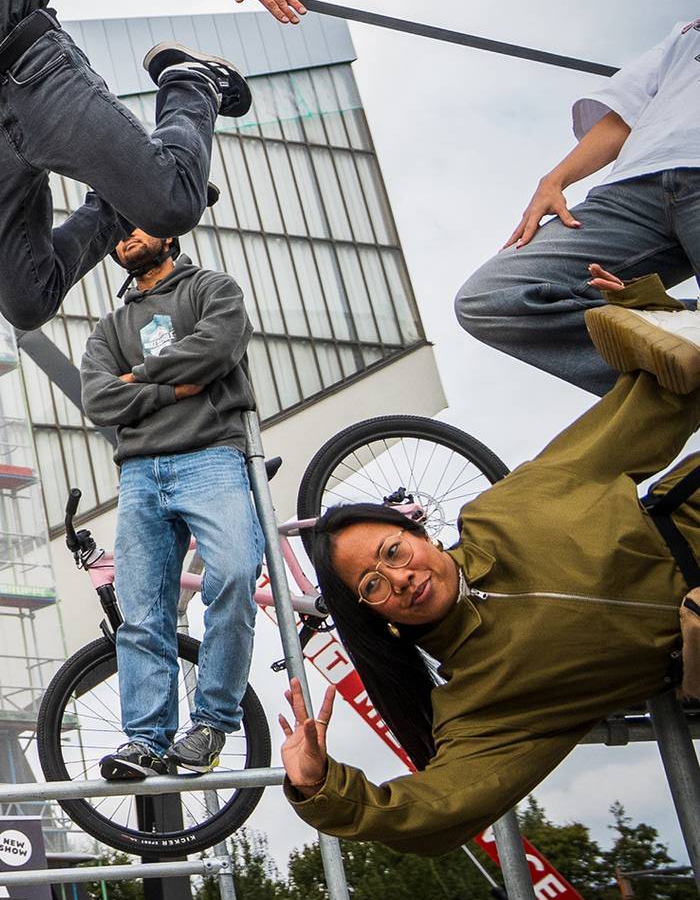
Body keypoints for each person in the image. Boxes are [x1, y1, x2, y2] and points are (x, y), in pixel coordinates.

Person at [283, 279, 700, 853]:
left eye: (393, 551)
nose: (399, 577)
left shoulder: (503, 509)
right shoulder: (480, 705)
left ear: (417, 533)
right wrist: (320, 788)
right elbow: (440, 812)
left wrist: (644, 313)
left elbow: (626, 428)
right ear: (376, 617)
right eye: (374, 585)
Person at [0, 0, 306, 330]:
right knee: (26, 302)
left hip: (36, 77)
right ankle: (120, 199)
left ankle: (192, 83)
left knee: (175, 206)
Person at [76, 227, 261, 780]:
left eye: (140, 221)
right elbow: (99, 398)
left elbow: (218, 348)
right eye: (117, 229)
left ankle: (210, 724)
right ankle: (146, 740)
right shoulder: (108, 328)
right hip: (138, 472)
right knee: (142, 613)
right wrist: (175, 386)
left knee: (231, 574)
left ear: (171, 232)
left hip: (213, 456)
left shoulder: (211, 289)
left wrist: (139, 378)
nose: (128, 233)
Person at [456, 20, 700, 393]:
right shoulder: (687, 31)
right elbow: (626, 114)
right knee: (488, 299)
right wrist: (554, 180)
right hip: (632, 190)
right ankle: (679, 338)